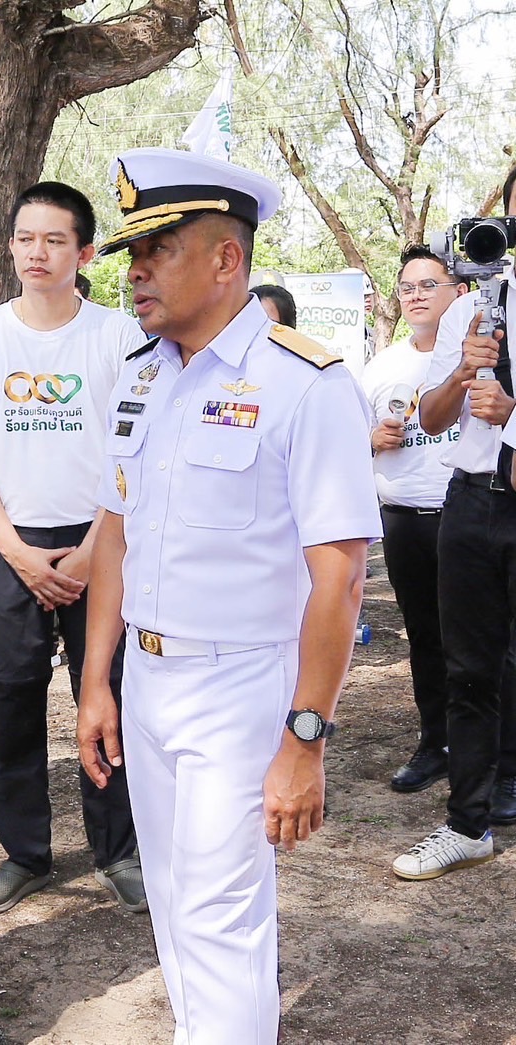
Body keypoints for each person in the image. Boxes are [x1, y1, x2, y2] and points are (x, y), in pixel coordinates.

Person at [76, 149, 379, 1043]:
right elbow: (116, 535)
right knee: (174, 899)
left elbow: (340, 575)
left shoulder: (304, 383)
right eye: (131, 254)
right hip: (147, 676)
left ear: (225, 258)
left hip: (241, 681)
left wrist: (304, 737)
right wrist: (96, 680)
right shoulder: (140, 374)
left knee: (220, 913)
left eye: (157, 250)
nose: (134, 272)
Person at [0, 181, 146, 915]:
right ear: (10, 246)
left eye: (55, 240)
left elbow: (134, 451)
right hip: (12, 546)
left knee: (107, 694)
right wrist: (16, 551)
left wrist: (93, 549)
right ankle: (25, 854)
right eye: (26, 238)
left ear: (83, 253)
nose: (38, 252)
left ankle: (117, 850)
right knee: (12, 701)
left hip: (101, 543)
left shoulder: (118, 335)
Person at [400, 165, 516, 877]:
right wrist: (462, 371)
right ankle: (468, 823)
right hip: (471, 500)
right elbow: (434, 416)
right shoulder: (470, 308)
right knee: (468, 666)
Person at [361, 246, 466, 790]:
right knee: (424, 637)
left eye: (429, 285)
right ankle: (436, 743)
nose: (416, 296)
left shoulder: (486, 356)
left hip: (467, 517)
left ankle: (495, 755)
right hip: (403, 521)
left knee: (481, 642)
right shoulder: (382, 367)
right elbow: (344, 442)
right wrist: (371, 439)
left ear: (461, 292)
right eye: (407, 287)